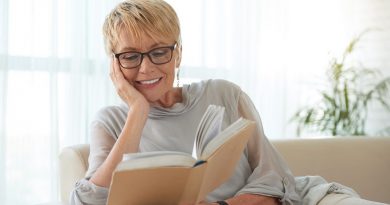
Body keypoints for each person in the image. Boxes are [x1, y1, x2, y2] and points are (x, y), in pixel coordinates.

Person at [70, 0, 386, 205]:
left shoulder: (224, 94)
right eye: (130, 56)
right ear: (114, 63)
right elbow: (86, 201)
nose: (146, 67)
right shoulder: (111, 121)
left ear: (177, 52)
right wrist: (138, 112)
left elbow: (273, 177)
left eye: (159, 52)